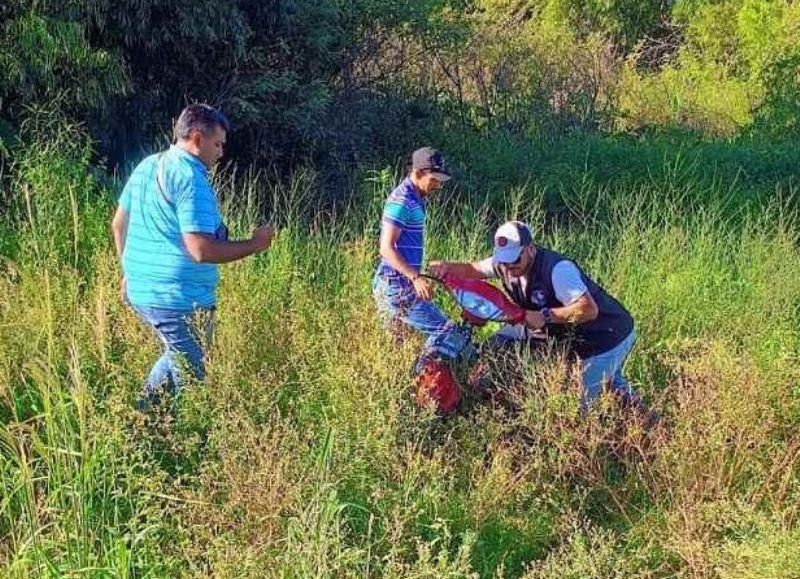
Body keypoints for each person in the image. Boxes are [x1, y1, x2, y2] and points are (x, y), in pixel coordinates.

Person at [111, 104, 274, 408]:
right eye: (218, 144)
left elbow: (119, 224)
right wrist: (255, 244)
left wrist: (129, 272)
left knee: (179, 355)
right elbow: (201, 250)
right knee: (194, 377)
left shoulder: (148, 164)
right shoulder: (190, 177)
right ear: (197, 138)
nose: (221, 152)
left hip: (145, 292)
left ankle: (141, 419)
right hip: (177, 298)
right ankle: (178, 434)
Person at [430, 221, 645, 413]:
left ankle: (637, 428)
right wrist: (448, 267)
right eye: (503, 261)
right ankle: (489, 397)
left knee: (581, 408)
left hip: (606, 337)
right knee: (495, 344)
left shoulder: (557, 270)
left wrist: (546, 316)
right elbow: (472, 269)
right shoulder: (503, 264)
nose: (508, 268)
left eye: (514, 260)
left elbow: (589, 309)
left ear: (531, 249)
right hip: (563, 332)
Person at [372, 147, 470, 365]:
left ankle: (409, 388)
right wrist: (415, 277)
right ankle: (425, 383)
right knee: (446, 332)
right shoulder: (402, 201)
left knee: (397, 350)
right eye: (434, 179)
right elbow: (386, 248)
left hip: (395, 283)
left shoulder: (415, 198)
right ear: (417, 173)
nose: (438, 185)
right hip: (398, 286)